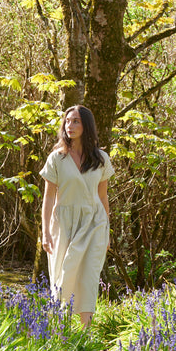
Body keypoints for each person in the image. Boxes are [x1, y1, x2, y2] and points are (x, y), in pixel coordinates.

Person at [40, 105, 114, 327]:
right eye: (68, 121)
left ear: (87, 126)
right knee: (62, 276)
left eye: (76, 122)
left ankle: (85, 336)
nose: (70, 126)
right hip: (63, 224)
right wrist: (45, 232)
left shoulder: (101, 159)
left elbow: (103, 198)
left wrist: (107, 232)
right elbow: (49, 198)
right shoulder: (57, 159)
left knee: (88, 278)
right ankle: (59, 333)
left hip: (94, 224)